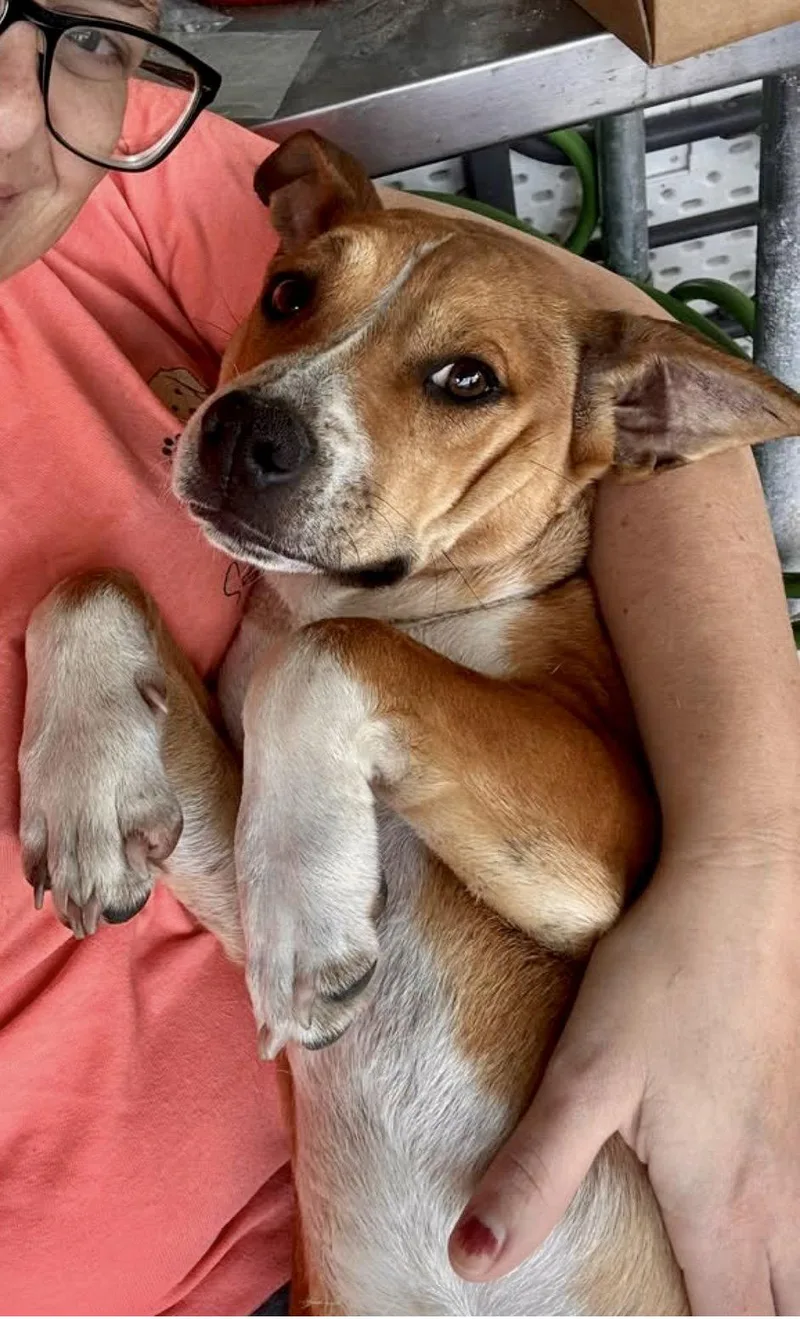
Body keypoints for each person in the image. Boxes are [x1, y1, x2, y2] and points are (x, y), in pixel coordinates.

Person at [0, 0, 798, 1313]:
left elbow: (570, 317)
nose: (279, 407)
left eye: (88, 31)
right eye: (296, 310)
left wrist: (754, 873)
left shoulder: (98, 163)